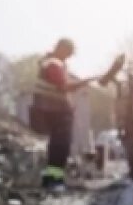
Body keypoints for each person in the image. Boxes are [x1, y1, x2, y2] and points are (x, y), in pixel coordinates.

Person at [30, 39, 98, 189]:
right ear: (61, 48)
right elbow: (63, 86)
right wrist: (85, 82)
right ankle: (54, 181)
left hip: (54, 110)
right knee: (60, 146)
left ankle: (52, 179)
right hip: (54, 111)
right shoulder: (53, 64)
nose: (69, 56)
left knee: (58, 146)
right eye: (68, 53)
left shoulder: (51, 63)